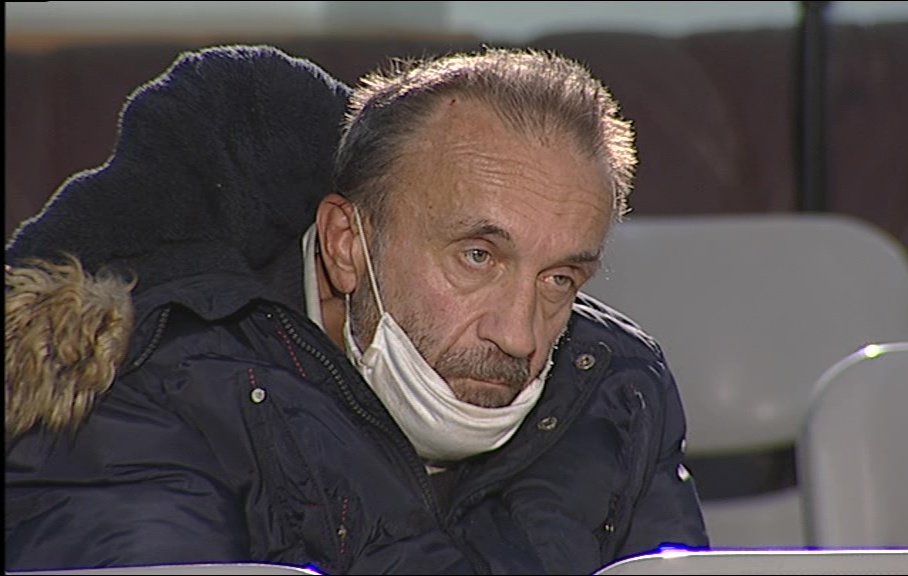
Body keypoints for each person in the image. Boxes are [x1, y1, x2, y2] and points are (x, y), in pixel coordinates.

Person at [5, 44, 708, 574]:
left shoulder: (616, 389)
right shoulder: (152, 393)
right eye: (477, 257)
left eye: (560, 278)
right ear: (347, 245)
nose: (519, 336)